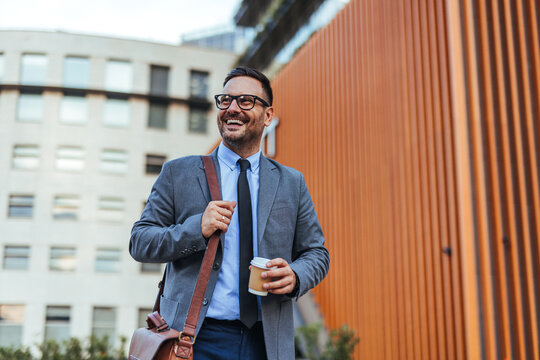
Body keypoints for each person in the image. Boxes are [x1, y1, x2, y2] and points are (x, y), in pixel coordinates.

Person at [130, 66, 329, 360]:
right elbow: (140, 241)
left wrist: (296, 276)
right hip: (196, 339)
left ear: (268, 115)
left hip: (267, 342)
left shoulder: (291, 183)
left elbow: (317, 254)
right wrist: (196, 228)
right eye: (225, 100)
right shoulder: (178, 173)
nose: (232, 108)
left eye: (245, 101)